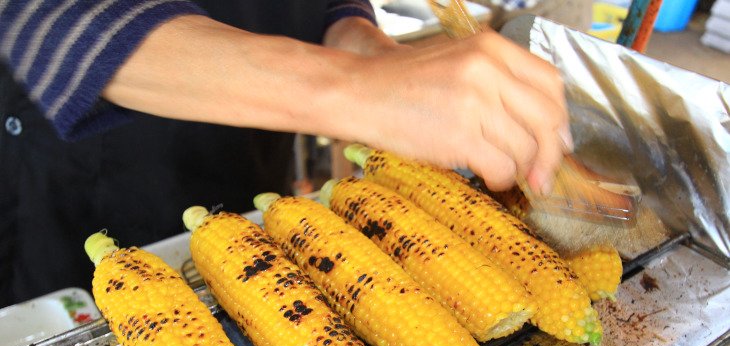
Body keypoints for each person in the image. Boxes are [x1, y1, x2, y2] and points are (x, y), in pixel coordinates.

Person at [0, 0, 571, 308]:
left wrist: (367, 48)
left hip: (244, 161)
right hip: (79, 178)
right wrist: (348, 88)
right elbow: (39, 13)